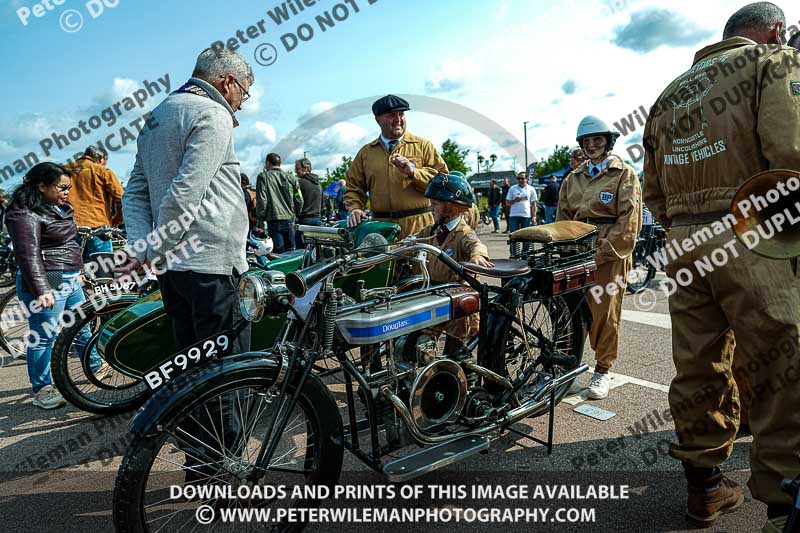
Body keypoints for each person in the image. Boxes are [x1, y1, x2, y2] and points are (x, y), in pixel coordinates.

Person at [642, 3, 800, 529]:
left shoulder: (668, 94)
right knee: (782, 365)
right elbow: (791, 152)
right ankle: (785, 507)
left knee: (697, 362)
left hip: (686, 238)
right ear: (775, 31)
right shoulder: (771, 62)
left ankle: (705, 488)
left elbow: (654, 191)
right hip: (753, 230)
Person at [5, 162, 106, 409]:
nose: (66, 192)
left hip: (69, 276)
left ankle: (94, 365)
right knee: (44, 335)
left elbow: (69, 244)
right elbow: (28, 254)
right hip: (50, 277)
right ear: (42, 186)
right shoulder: (24, 213)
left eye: (68, 187)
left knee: (82, 326)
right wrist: (42, 289)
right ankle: (42, 389)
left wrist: (79, 272)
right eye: (61, 187)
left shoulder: (56, 207)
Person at [558, 115, 641, 400]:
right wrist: (563, 250)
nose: (592, 145)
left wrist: (601, 253)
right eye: (587, 141)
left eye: (597, 140)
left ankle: (602, 370)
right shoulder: (573, 178)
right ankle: (568, 367)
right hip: (576, 250)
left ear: (608, 142)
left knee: (605, 314)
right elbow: (562, 218)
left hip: (610, 253)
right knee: (571, 312)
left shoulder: (623, 174)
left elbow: (629, 221)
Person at [345, 94, 448, 237]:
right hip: (381, 229)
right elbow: (353, 187)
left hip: (420, 226)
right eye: (392, 115)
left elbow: (443, 181)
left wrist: (414, 172)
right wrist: (355, 208)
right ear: (378, 119)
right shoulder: (366, 153)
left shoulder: (423, 146)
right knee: (384, 260)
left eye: (401, 114)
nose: (398, 119)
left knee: (419, 260)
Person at [415, 172, 493, 352]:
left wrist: (478, 255)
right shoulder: (430, 231)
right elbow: (411, 241)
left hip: (457, 295)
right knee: (424, 336)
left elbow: (475, 243)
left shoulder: (462, 232)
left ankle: (462, 370)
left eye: (435, 205)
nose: (431, 208)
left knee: (456, 343)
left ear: (453, 207)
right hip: (434, 291)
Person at [63, 145, 124, 259]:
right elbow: (122, 199)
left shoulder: (63, 170)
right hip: (98, 229)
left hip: (69, 228)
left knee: (71, 272)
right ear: (101, 158)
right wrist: (117, 219)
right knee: (102, 273)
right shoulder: (103, 171)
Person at [255, 153, 303, 253]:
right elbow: (299, 198)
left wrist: (260, 220)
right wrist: (296, 214)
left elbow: (262, 200)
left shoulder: (263, 177)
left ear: (268, 163)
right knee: (292, 251)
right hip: (290, 218)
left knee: (279, 254)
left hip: (274, 219)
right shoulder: (292, 178)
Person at [505, 172, 538, 255]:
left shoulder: (531, 189)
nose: (520, 180)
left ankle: (525, 254)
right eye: (518, 178)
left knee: (526, 236)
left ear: (526, 179)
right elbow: (507, 203)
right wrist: (515, 200)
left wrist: (534, 216)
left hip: (526, 215)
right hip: (514, 215)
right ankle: (514, 254)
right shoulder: (513, 188)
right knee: (513, 236)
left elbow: (534, 204)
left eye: (522, 178)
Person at [294, 158, 322, 248]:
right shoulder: (318, 183)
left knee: (302, 253)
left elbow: (296, 200)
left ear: (305, 168)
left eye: (297, 168)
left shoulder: (299, 183)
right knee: (316, 251)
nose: (295, 171)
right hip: (317, 220)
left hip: (304, 221)